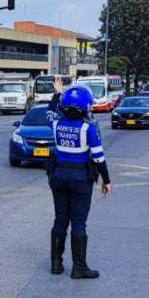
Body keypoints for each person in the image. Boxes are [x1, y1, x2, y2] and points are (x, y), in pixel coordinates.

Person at [45, 77, 111, 279]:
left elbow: (49, 111)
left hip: (58, 176)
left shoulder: (56, 123)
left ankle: (56, 264)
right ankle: (79, 267)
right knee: (79, 223)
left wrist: (57, 92)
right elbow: (99, 157)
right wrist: (106, 180)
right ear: (87, 107)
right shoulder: (88, 128)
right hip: (80, 179)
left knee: (60, 219)